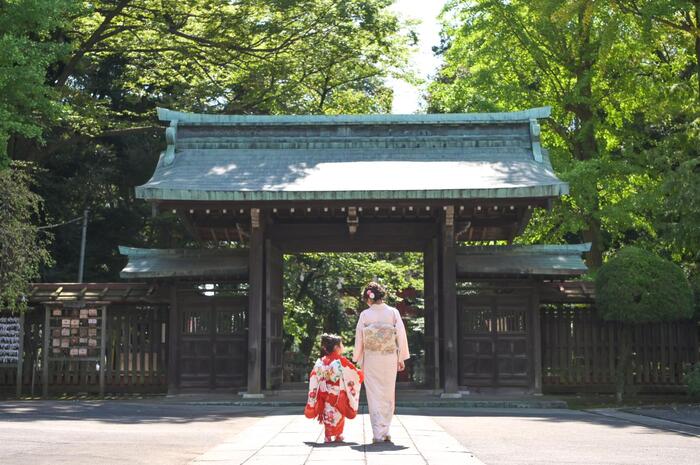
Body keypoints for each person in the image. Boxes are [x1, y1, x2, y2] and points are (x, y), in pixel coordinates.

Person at [353, 281, 410, 443]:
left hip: (372, 358)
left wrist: (357, 358)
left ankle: (378, 432)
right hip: (389, 356)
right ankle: (385, 430)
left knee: (374, 394)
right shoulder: (393, 312)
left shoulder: (365, 315)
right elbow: (400, 334)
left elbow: (359, 337)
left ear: (369, 297)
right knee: (387, 393)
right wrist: (401, 357)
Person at [305, 333, 364, 443]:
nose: (342, 346)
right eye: (341, 344)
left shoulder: (322, 361)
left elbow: (314, 375)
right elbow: (353, 373)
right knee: (339, 414)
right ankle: (338, 435)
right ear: (336, 347)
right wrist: (360, 374)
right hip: (338, 394)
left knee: (328, 413)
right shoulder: (340, 360)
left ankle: (328, 436)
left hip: (325, 393)